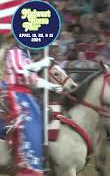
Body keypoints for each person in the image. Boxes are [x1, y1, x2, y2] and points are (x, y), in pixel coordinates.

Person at [3, 34, 63, 176]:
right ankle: (26, 164)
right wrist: (42, 63)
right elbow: (22, 70)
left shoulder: (25, 55)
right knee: (27, 124)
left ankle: (39, 158)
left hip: (26, 94)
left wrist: (51, 86)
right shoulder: (14, 52)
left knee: (39, 120)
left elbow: (34, 80)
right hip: (15, 94)